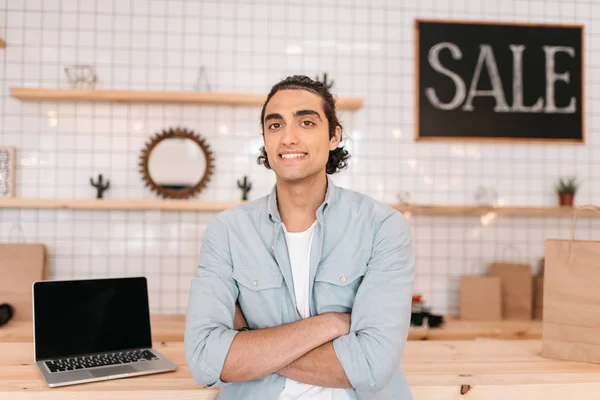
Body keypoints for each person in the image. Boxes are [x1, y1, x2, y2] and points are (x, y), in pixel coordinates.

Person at [185, 75, 415, 399]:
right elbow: (205, 359)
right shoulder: (227, 232)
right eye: (275, 125)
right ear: (264, 139)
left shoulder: (383, 227)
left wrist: (248, 345)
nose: (288, 138)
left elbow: (371, 365)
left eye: (306, 122)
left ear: (334, 136)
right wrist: (332, 324)